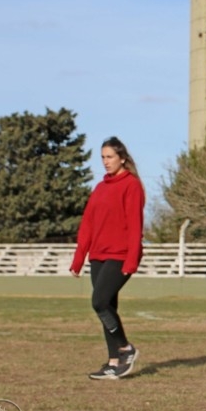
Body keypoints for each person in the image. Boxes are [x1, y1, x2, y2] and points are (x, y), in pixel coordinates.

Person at [71, 137, 145, 380]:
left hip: (121, 256)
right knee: (108, 308)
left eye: (110, 157)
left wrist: (132, 260)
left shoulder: (131, 185)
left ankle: (126, 348)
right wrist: (79, 259)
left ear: (122, 158)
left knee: (99, 301)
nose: (105, 162)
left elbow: (135, 225)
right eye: (103, 157)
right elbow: (88, 225)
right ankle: (114, 362)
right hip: (99, 256)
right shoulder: (100, 188)